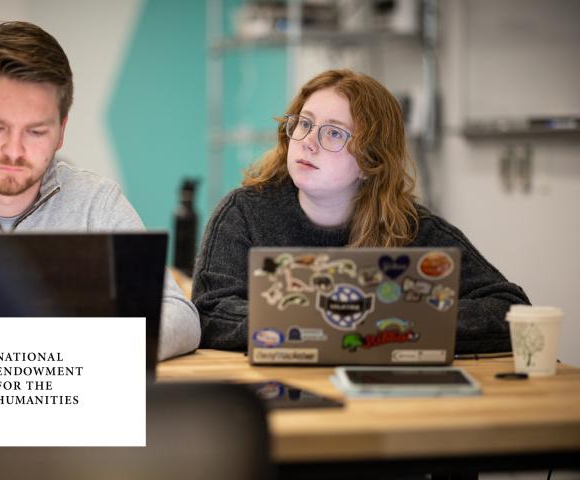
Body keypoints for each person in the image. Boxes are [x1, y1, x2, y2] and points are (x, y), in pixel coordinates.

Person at [0, 21, 200, 361]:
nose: (14, 150)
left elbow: (180, 317)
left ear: (60, 132)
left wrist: (69, 356)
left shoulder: (97, 205)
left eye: (36, 132)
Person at [192, 69, 529, 354]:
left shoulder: (410, 227)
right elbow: (210, 313)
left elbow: (511, 310)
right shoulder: (244, 213)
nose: (308, 141)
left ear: (371, 161)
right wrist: (333, 322)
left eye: (334, 133)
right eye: (304, 124)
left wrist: (394, 321)